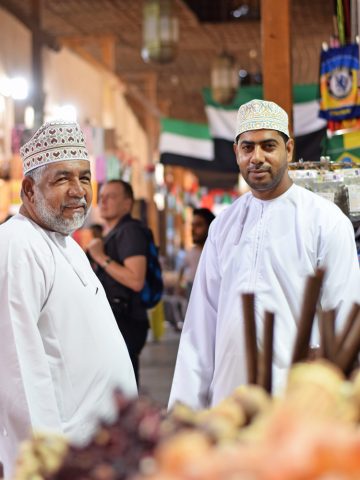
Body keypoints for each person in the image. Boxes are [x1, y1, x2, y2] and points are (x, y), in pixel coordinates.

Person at [168, 99, 360, 410]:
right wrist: (183, 411)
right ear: (236, 153)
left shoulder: (325, 220)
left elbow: (344, 319)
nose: (257, 157)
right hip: (229, 403)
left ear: (289, 149)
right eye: (248, 148)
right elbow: (200, 330)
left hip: (298, 406)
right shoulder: (222, 227)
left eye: (268, 146)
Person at [0, 120, 137, 479]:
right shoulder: (17, 245)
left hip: (99, 452)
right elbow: (20, 373)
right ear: (28, 189)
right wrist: (48, 467)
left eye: (85, 177)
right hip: (66, 460)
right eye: (62, 179)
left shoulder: (66, 243)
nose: (79, 190)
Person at [87, 180, 149, 386]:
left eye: (111, 197)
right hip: (119, 318)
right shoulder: (114, 232)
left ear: (127, 203)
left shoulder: (129, 231)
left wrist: (100, 257)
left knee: (124, 386)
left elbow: (136, 280)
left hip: (127, 319)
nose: (103, 201)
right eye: (101, 196)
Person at [177, 208, 215, 300]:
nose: (193, 230)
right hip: (191, 290)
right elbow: (181, 269)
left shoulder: (216, 253)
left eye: (198, 225)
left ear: (210, 226)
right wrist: (180, 286)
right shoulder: (190, 252)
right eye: (192, 225)